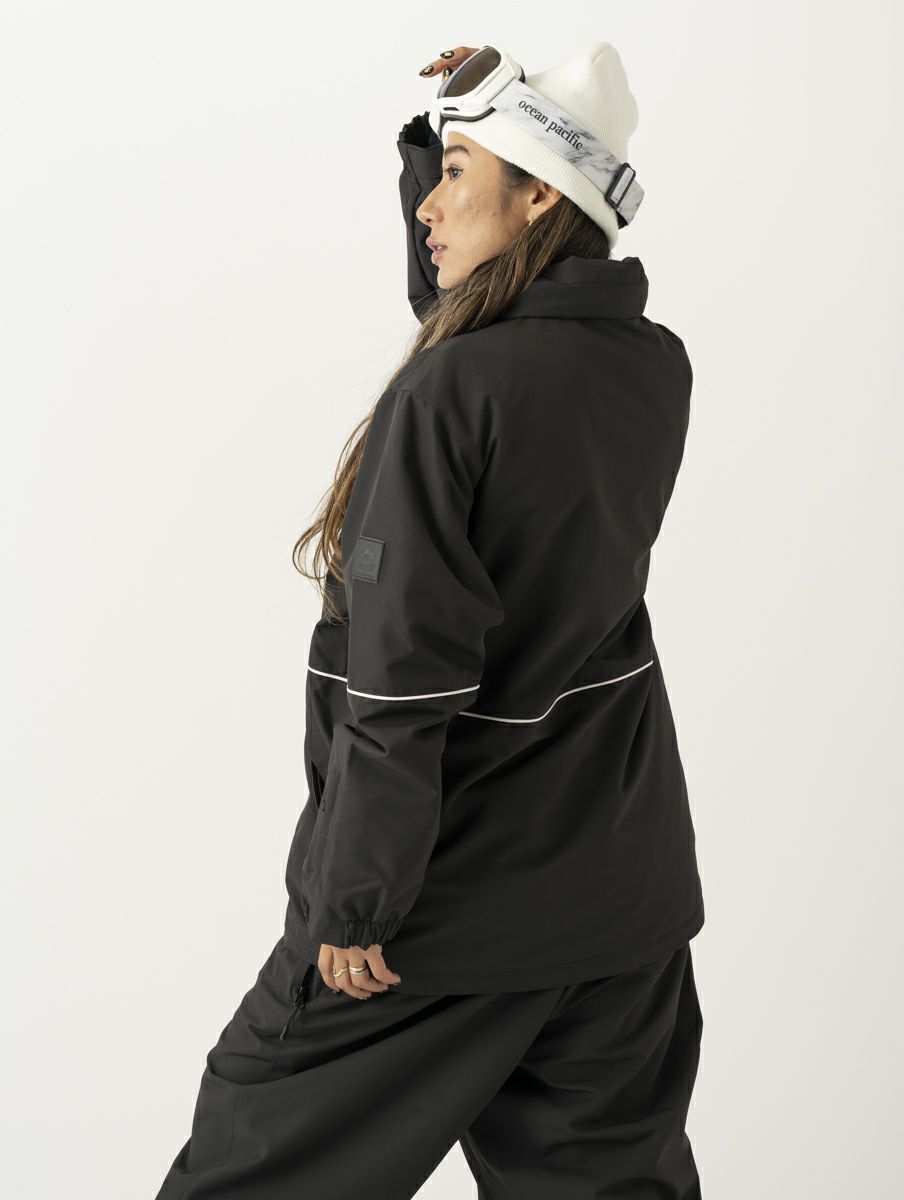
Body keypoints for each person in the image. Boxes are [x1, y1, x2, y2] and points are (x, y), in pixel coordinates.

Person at [154, 40, 705, 1199]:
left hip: (441, 915)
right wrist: (443, 137)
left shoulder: (451, 393)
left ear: (540, 195)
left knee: (247, 1171)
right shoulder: (650, 366)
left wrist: (358, 904)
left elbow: (405, 675)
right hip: (618, 900)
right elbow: (483, 309)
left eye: (455, 176)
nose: (427, 209)